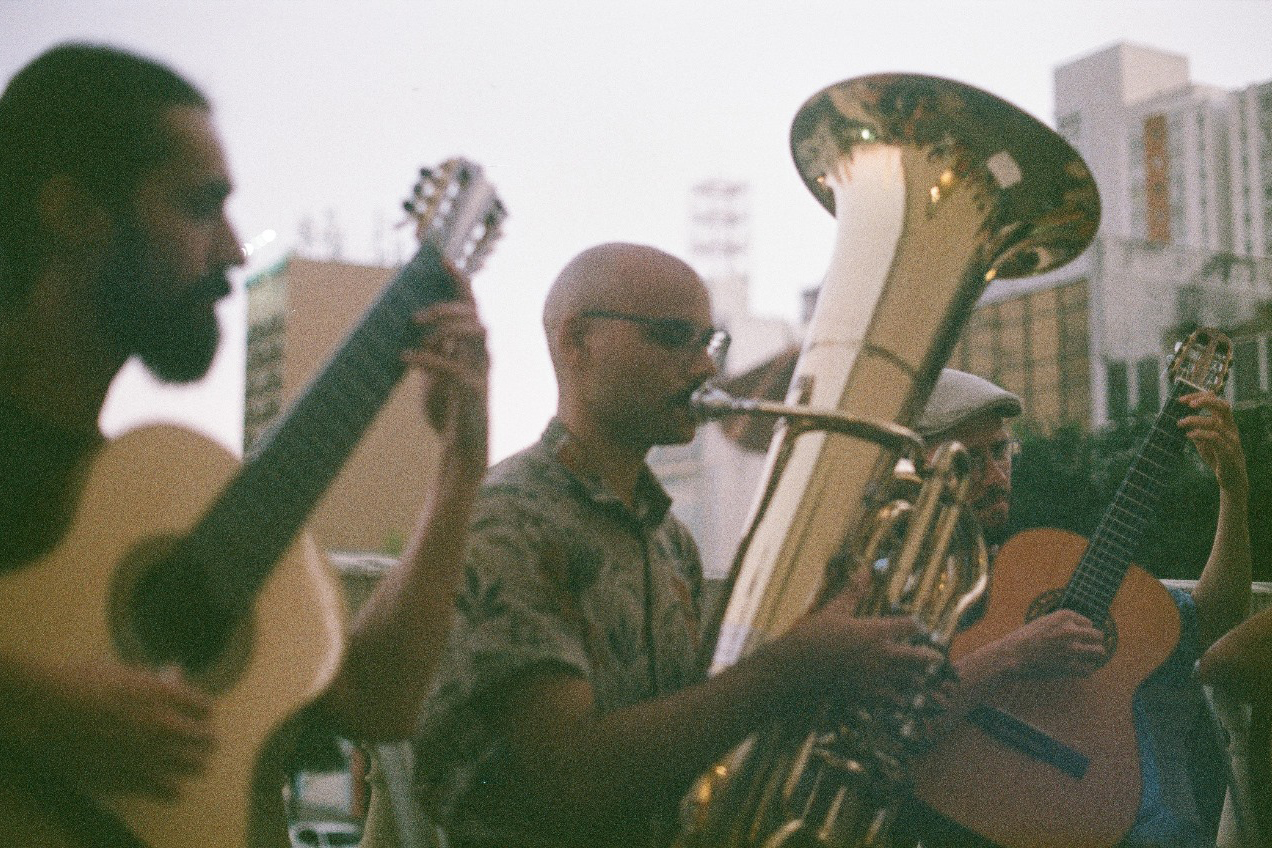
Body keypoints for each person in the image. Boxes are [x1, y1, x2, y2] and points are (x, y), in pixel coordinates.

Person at [0, 43, 488, 842]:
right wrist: (36, 707)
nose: (232, 248)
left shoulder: (148, 492)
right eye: (200, 206)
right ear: (73, 212)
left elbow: (379, 700)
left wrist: (461, 462)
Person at [375, 242, 943, 848]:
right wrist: (791, 667)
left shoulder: (671, 543)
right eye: (673, 338)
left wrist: (827, 666)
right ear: (577, 343)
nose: (703, 367)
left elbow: (689, 739)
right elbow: (573, 778)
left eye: (709, 343)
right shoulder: (504, 519)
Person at [898, 368, 1251, 848]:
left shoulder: (1051, 566)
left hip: (1141, 832)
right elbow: (895, 723)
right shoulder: (899, 592)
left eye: (1001, 452)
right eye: (968, 462)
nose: (996, 476)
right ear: (919, 471)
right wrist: (1019, 651)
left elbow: (1215, 620)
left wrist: (1233, 490)